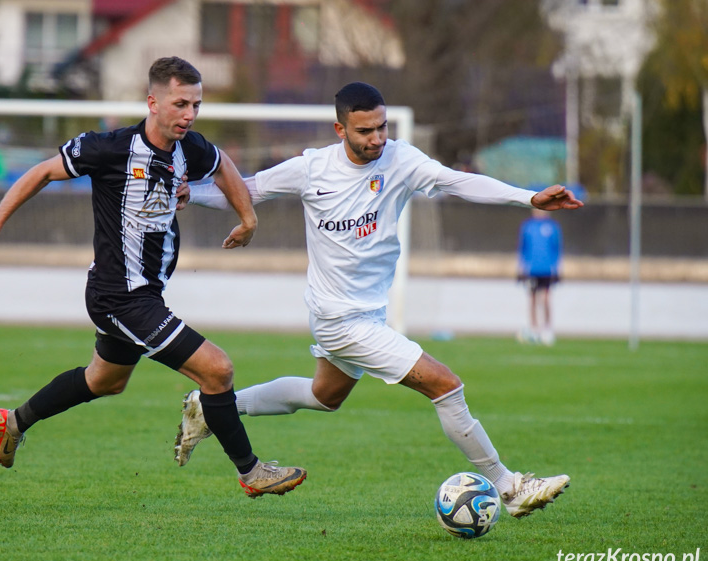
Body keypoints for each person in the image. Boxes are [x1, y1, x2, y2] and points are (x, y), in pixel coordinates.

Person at [175, 82, 583, 517]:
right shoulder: (311, 169)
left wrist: (528, 197)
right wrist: (191, 194)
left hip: (367, 311)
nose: (377, 138)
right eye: (365, 130)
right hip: (338, 317)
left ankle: (212, 407)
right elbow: (248, 190)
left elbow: (456, 181)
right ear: (340, 129)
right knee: (445, 384)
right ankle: (509, 486)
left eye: (382, 127)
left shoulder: (401, 160)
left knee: (324, 396)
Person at [0, 57, 306, 498]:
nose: (189, 114)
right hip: (120, 297)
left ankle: (12, 422)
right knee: (217, 370)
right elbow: (41, 171)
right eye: (180, 103)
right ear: (152, 102)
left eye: (196, 105)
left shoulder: (190, 148)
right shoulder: (108, 148)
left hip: (146, 294)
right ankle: (252, 472)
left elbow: (222, 166)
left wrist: (248, 219)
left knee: (105, 380)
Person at [517, 209, 562, 346]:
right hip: (532, 269)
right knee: (532, 298)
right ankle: (534, 328)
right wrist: (521, 267)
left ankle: (547, 328)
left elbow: (557, 248)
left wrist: (556, 268)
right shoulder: (527, 226)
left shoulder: (552, 226)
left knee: (546, 298)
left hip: (547, 269)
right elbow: (522, 248)